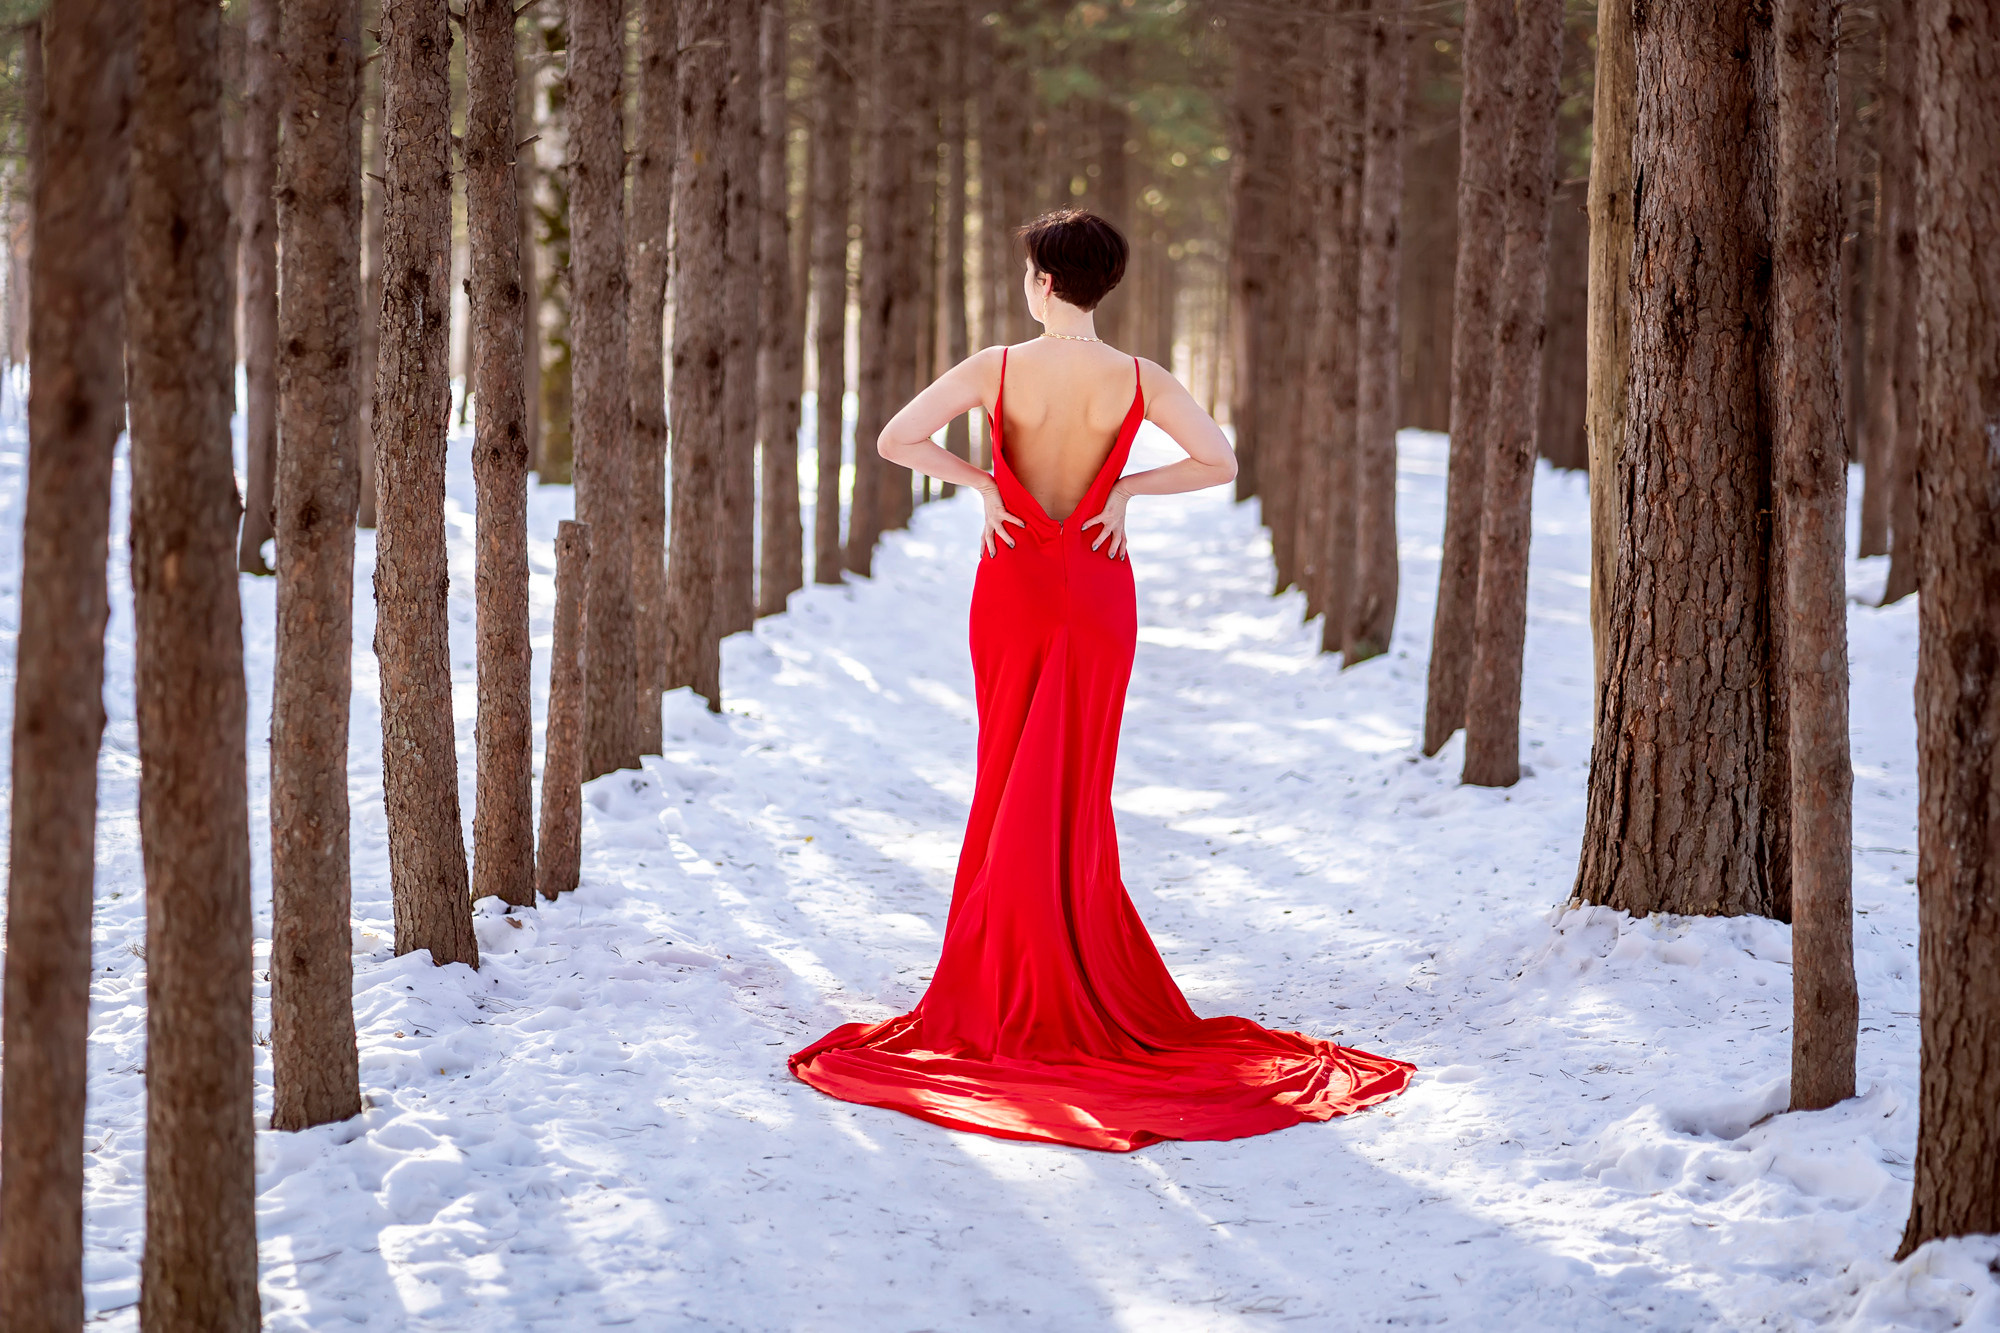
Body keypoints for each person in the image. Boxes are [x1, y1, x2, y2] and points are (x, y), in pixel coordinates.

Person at [790, 209, 1413, 1152]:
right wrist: (1124, 491)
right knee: (1075, 781)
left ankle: (1006, 972)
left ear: (1043, 278)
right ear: (1102, 284)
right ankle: (1072, 960)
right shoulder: (1137, 378)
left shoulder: (995, 369)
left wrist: (983, 482)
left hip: (1012, 575)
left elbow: (893, 440)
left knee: (1007, 769)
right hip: (1098, 578)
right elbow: (1219, 460)